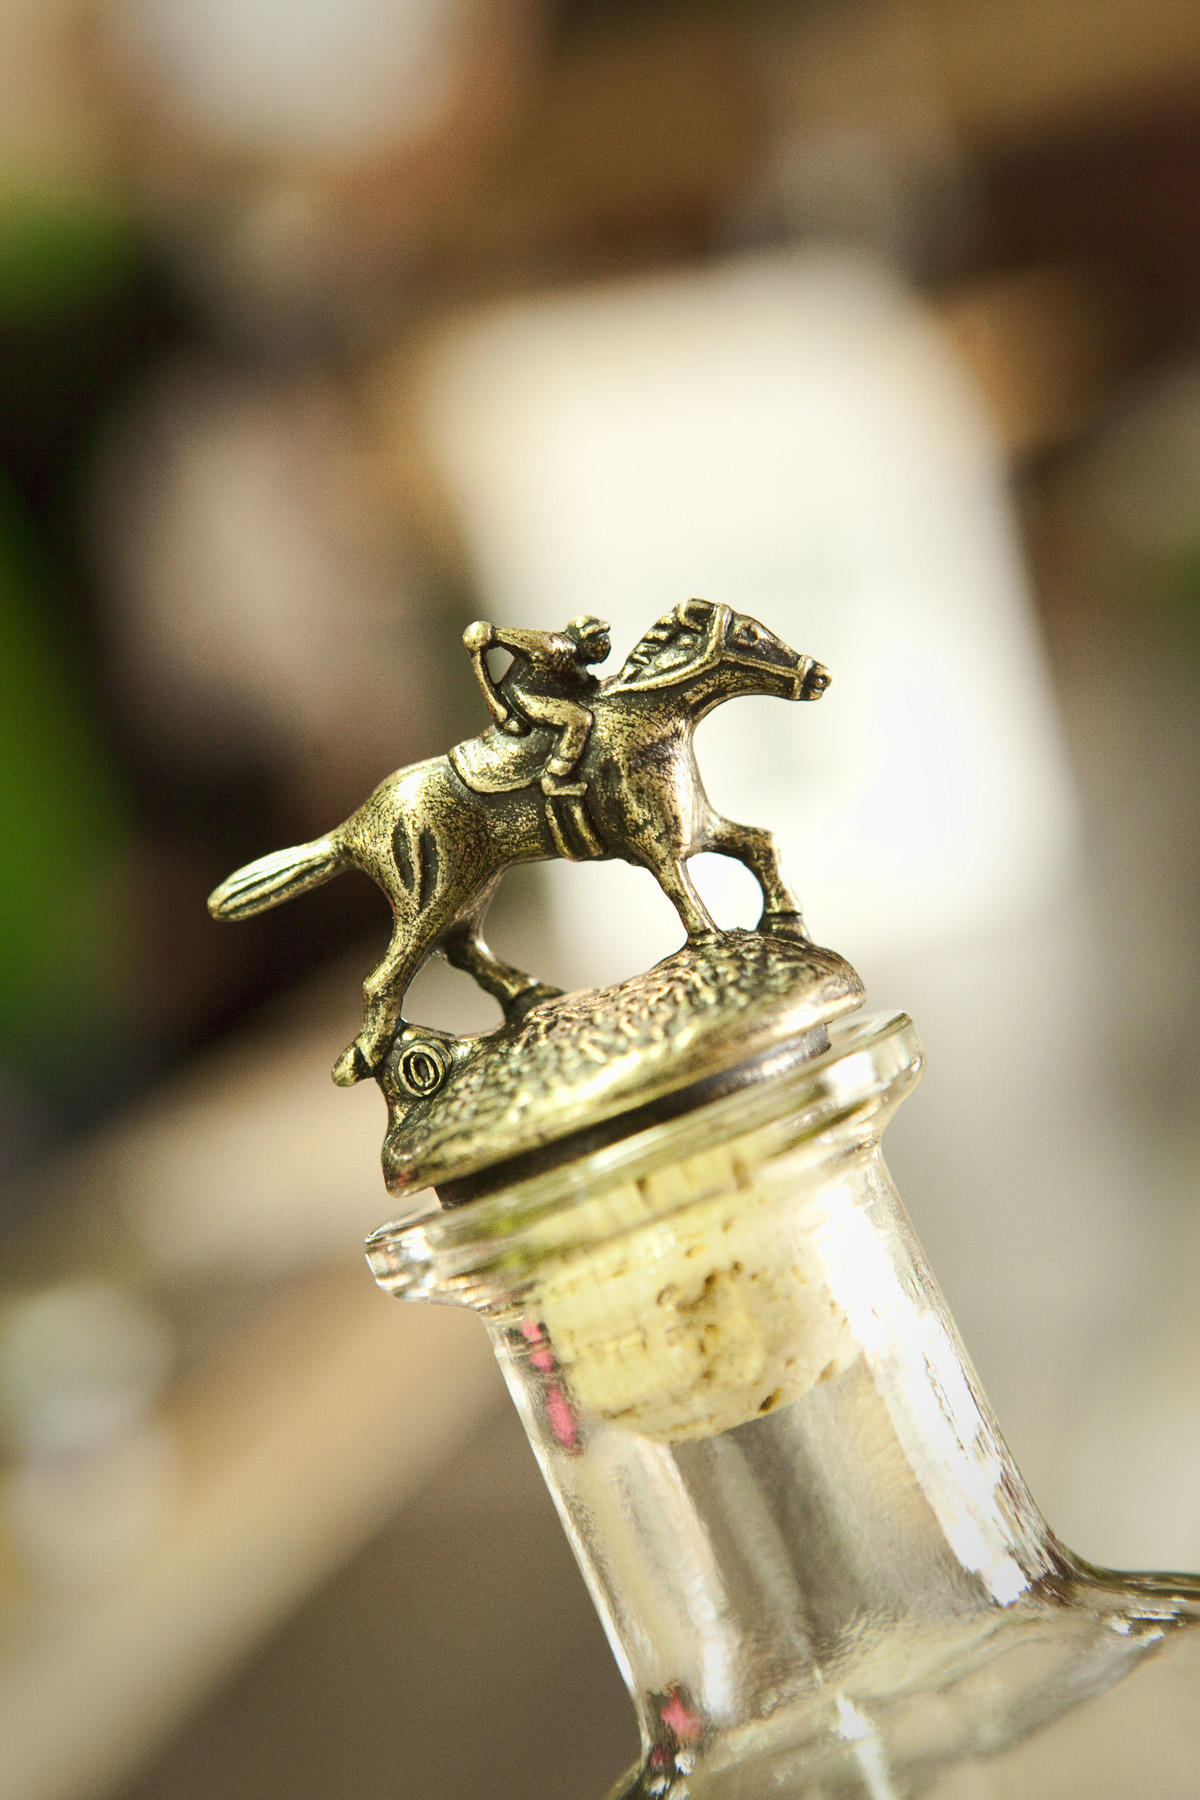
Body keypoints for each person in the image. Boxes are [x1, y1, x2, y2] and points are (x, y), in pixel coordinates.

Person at [462, 614, 611, 793]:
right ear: (585, 639)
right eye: (599, 638)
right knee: (579, 719)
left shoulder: (577, 660)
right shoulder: (550, 646)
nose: (605, 645)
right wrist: (496, 703)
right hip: (524, 695)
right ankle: (556, 776)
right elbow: (483, 634)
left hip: (550, 694)